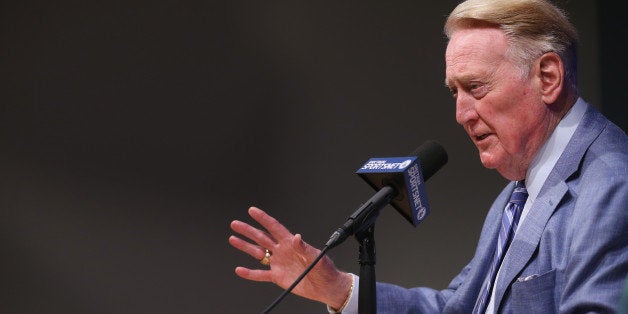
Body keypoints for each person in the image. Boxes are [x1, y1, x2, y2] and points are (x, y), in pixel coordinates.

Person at [229, 0, 628, 312]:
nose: (461, 114)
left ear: (548, 77)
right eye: (455, 92)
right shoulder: (517, 195)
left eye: (476, 87)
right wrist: (338, 289)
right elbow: (457, 308)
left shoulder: (611, 184)